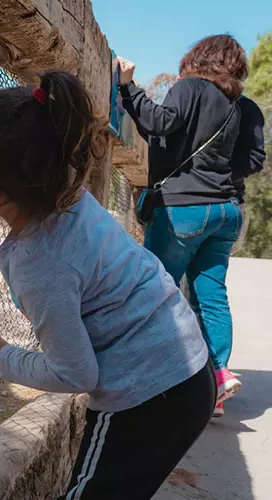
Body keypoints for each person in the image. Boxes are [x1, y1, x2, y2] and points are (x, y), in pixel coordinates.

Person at [0, 70, 215, 500]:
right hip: (182, 372)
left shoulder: (40, 265)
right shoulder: (63, 189)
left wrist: (3, 357)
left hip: (148, 398)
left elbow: (76, 373)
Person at [116, 34, 265, 417]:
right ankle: (217, 377)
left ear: (197, 58)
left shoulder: (190, 88)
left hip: (184, 209)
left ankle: (149, 378)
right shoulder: (244, 107)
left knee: (154, 290)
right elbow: (253, 160)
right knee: (211, 296)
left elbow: (158, 122)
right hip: (227, 212)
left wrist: (128, 87)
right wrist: (215, 178)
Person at [230, 96, 267, 255]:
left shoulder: (245, 107)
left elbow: (255, 158)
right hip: (181, 200)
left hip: (230, 200)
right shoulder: (193, 99)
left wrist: (214, 177)